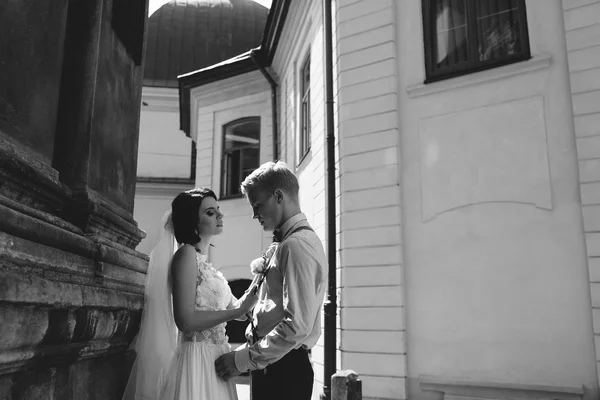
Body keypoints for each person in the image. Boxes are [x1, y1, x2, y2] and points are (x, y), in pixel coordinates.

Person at [122, 188, 257, 400]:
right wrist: (237, 311)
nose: (220, 216)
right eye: (211, 212)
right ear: (193, 221)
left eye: (218, 210)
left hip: (218, 359)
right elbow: (185, 321)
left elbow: (238, 311)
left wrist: (262, 276)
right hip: (197, 360)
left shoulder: (206, 265)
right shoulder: (185, 255)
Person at [215, 161, 328, 400]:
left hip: (284, 371)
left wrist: (241, 360)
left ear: (278, 196)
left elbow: (296, 326)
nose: (255, 215)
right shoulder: (286, 243)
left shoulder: (297, 246)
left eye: (257, 205)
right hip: (272, 365)